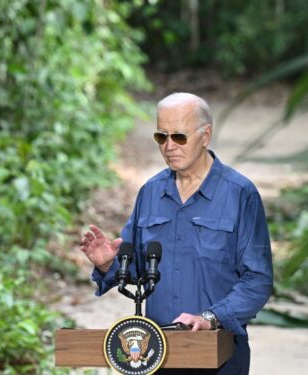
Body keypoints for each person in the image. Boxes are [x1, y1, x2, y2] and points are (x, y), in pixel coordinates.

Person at [79, 92, 273, 374]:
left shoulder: (240, 194)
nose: (169, 146)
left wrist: (211, 318)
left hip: (219, 355)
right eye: (161, 137)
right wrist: (110, 263)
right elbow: (138, 268)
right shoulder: (151, 192)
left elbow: (258, 279)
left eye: (179, 137)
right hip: (158, 355)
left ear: (205, 136)